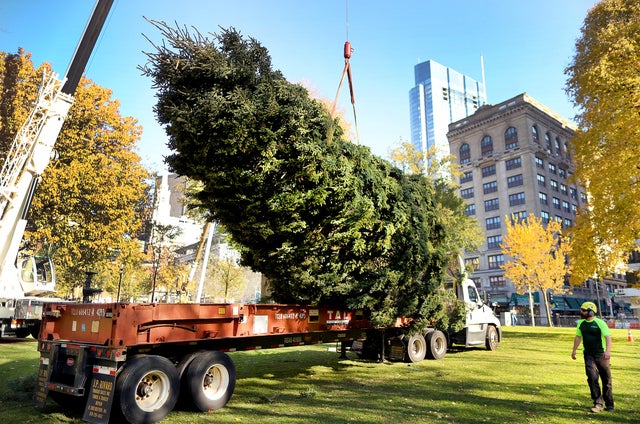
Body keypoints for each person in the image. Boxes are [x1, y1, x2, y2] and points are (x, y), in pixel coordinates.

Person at [571, 301, 614, 413]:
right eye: (581, 310)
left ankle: (610, 404)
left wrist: (607, 351)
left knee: (606, 379)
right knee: (592, 378)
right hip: (588, 354)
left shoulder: (600, 323)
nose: (581, 312)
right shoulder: (581, 323)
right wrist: (574, 350)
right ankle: (598, 403)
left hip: (601, 354)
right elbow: (578, 337)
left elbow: (608, 338)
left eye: (584, 310)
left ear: (591, 312)